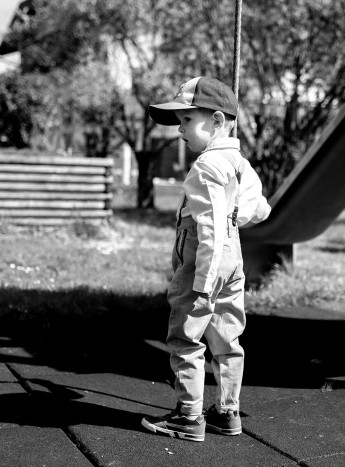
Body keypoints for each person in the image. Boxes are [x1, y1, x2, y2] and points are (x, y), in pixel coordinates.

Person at [141, 77, 271, 442]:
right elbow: (259, 208)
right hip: (233, 259)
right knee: (228, 338)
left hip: (205, 258)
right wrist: (236, 217)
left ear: (215, 120)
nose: (180, 130)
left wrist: (204, 280)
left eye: (186, 120)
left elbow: (211, 225)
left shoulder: (206, 167)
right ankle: (227, 412)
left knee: (186, 335)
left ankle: (188, 417)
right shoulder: (239, 163)